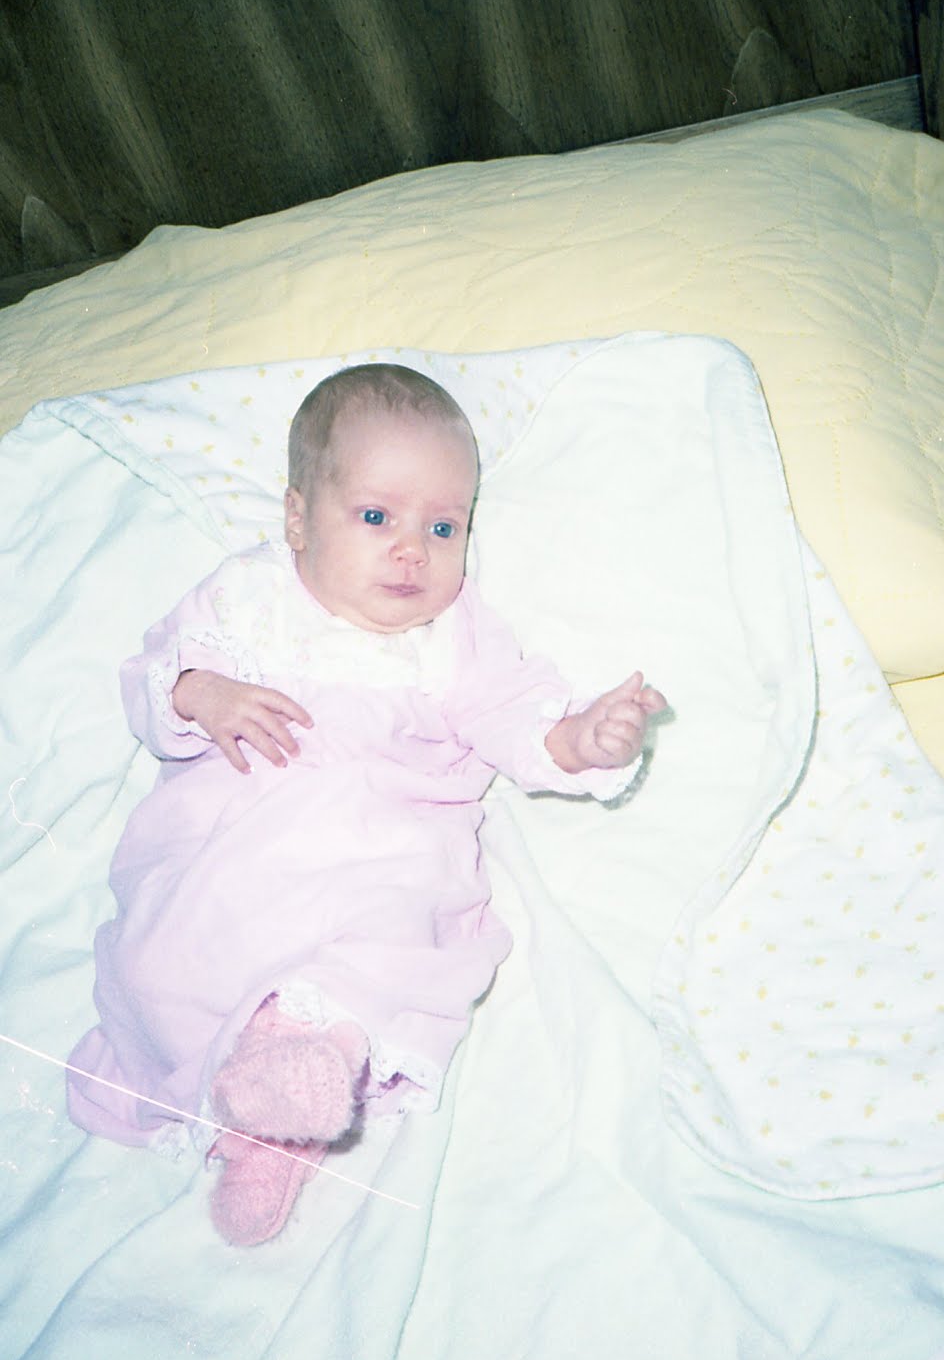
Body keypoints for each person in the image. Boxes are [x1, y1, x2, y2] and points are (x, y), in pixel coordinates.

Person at [67, 364, 667, 1245]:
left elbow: (513, 717)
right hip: (233, 837)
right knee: (170, 956)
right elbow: (158, 672)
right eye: (377, 517)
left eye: (442, 527)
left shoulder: (455, 635)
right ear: (298, 518)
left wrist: (583, 738)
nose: (411, 550)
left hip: (381, 842)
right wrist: (204, 692)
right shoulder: (249, 595)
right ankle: (258, 1101)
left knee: (387, 936)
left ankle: (279, 1121)